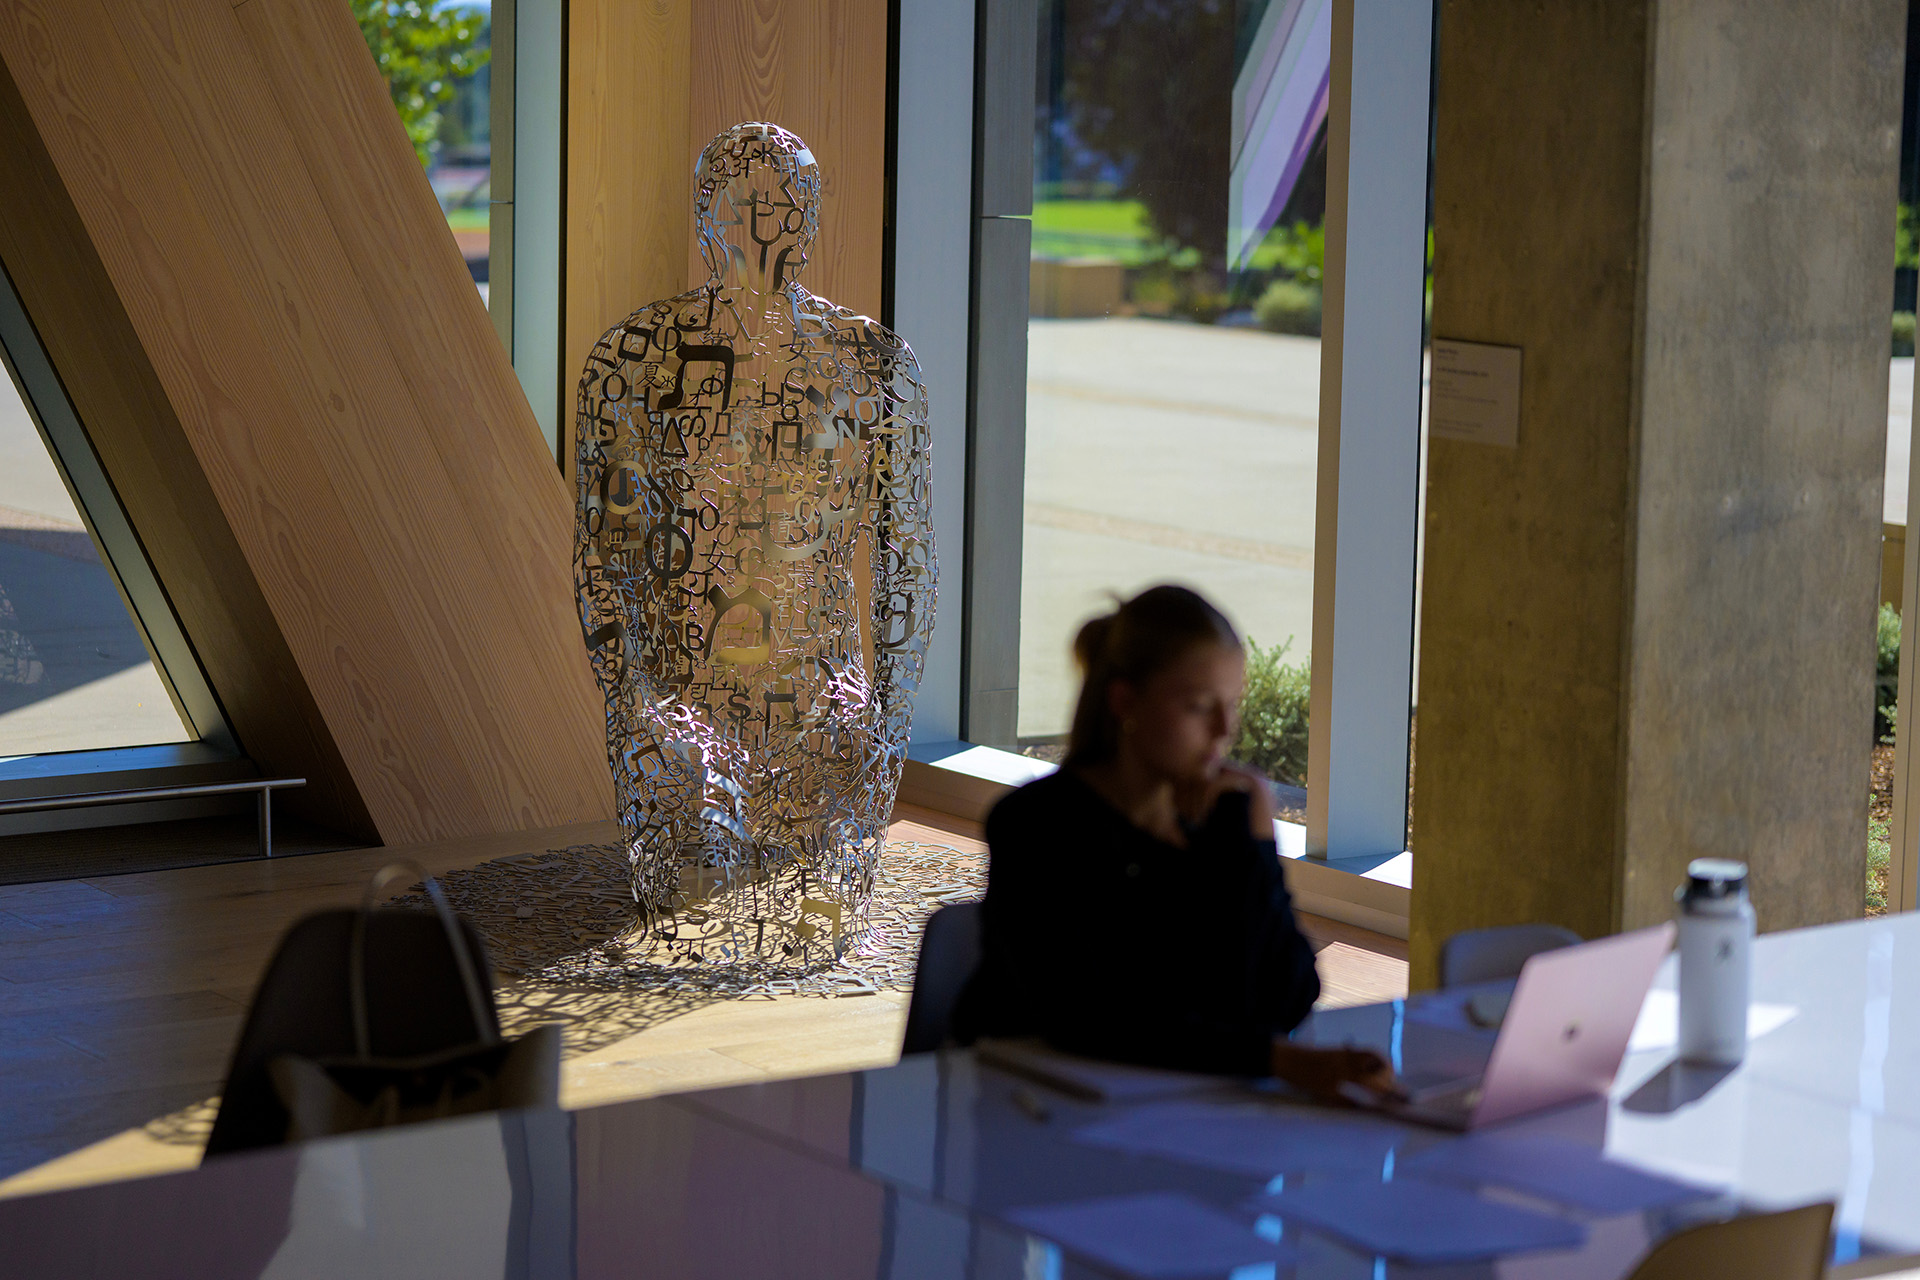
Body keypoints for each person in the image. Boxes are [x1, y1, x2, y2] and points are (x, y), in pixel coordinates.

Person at [952, 585, 1396, 1101]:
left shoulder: (1219, 821)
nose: (1225, 729)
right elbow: (1086, 1016)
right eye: (1199, 706)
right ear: (1125, 701)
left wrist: (1252, 844)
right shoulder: (1038, 824)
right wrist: (1279, 1060)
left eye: (1232, 705)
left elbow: (1288, 996)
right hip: (1029, 1101)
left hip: (1172, 1102)